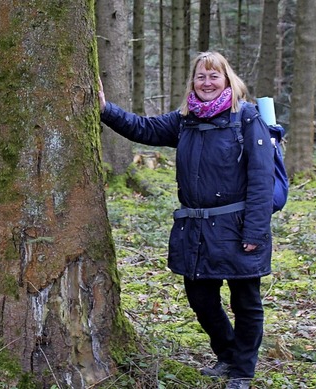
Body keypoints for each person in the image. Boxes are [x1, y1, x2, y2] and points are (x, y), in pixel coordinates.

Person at [98, 51, 275, 389]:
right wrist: (107, 109)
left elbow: (261, 179)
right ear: (192, 82)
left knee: (246, 301)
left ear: (227, 79)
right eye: (200, 77)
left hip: (238, 228)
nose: (206, 83)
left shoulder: (247, 118)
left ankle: (242, 371)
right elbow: (144, 128)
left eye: (214, 76)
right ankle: (226, 354)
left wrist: (255, 230)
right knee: (201, 299)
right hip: (195, 229)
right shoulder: (186, 120)